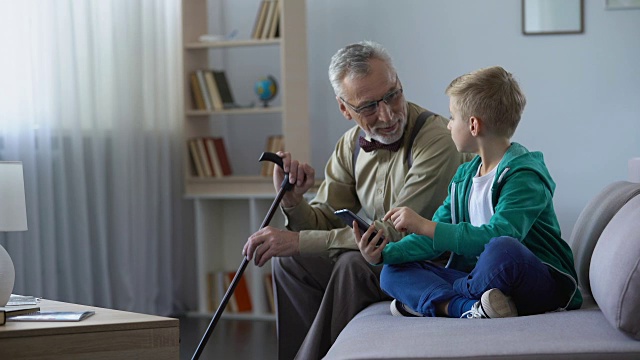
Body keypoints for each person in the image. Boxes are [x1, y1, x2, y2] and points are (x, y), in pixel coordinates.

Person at [242, 41, 468, 360]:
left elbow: (394, 233)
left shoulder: (436, 140)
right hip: (379, 256)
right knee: (291, 262)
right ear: (345, 109)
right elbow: (324, 219)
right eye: (369, 106)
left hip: (431, 262)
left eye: (393, 95)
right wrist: (293, 201)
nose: (388, 114)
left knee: (353, 264)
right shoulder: (350, 146)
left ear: (399, 83)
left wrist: (298, 240)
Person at [355, 66, 582, 320]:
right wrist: (384, 254)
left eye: (452, 117)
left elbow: (500, 234)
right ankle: (468, 308)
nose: (449, 125)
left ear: (473, 125)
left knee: (503, 247)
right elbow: (435, 237)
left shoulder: (524, 176)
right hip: (482, 281)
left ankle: (439, 300)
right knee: (391, 272)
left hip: (535, 281)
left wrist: (423, 224)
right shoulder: (464, 176)